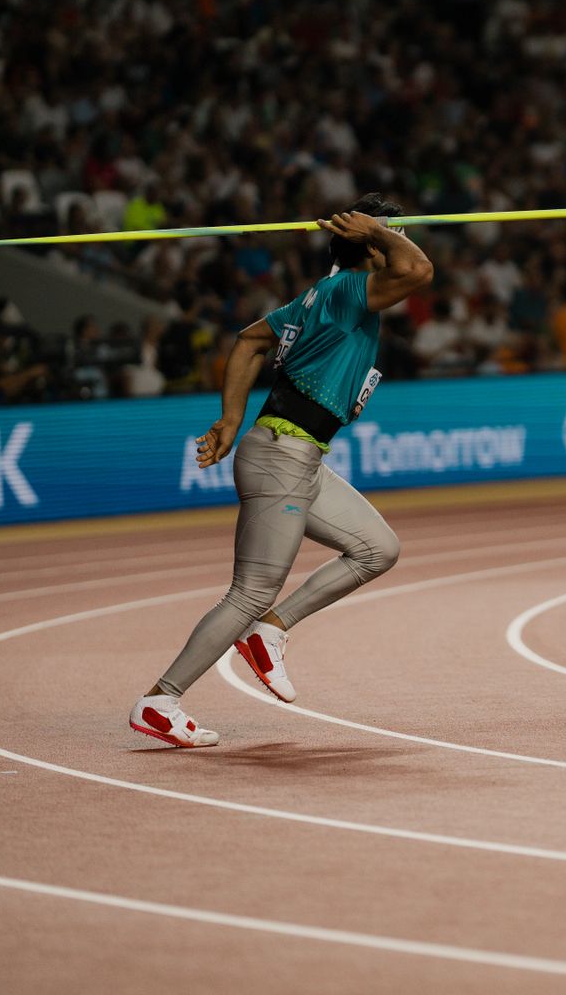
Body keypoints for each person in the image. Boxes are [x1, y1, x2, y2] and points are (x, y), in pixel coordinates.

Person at [129, 195, 434, 748]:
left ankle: (270, 630)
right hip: (282, 458)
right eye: (396, 234)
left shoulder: (321, 295)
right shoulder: (345, 291)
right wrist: (378, 231)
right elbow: (418, 269)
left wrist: (228, 418)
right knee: (249, 591)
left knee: (377, 549)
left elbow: (249, 341)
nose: (405, 243)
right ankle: (161, 700)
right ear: (371, 245)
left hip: (300, 457)